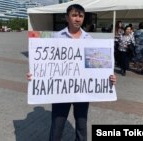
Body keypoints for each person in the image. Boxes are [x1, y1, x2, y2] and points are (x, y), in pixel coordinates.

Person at [27, 4, 117, 141]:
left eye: (81, 16)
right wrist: (36, 75)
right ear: (67, 17)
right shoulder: (56, 38)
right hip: (61, 91)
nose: (77, 19)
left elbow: (97, 66)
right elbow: (47, 64)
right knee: (57, 125)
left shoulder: (89, 40)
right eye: (74, 15)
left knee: (81, 126)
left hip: (82, 91)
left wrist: (108, 77)